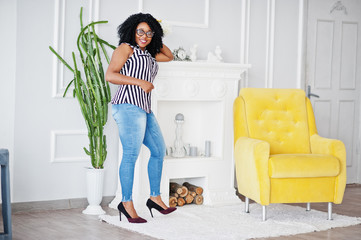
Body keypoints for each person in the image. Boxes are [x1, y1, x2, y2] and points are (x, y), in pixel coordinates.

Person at [105, 13, 175, 224]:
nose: (144, 36)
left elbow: (169, 55)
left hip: (143, 108)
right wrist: (140, 82)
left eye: (149, 32)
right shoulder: (126, 48)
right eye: (140, 31)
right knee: (131, 155)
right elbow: (110, 74)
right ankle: (126, 203)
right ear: (131, 31)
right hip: (127, 105)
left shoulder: (150, 53)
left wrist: (155, 36)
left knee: (158, 150)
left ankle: (154, 197)